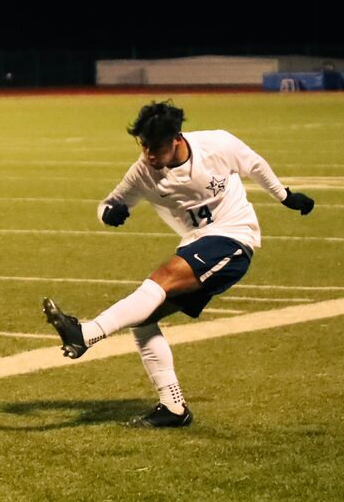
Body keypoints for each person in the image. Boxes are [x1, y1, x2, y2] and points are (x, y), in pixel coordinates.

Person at [43, 100, 314, 428]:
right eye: (143, 146)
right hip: (197, 244)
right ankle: (173, 407)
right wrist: (109, 214)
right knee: (142, 319)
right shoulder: (143, 172)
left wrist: (285, 196)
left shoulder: (217, 145)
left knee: (162, 277)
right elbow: (108, 203)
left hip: (234, 238)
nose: (149, 155)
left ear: (176, 139)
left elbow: (254, 165)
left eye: (155, 147)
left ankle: (85, 334)